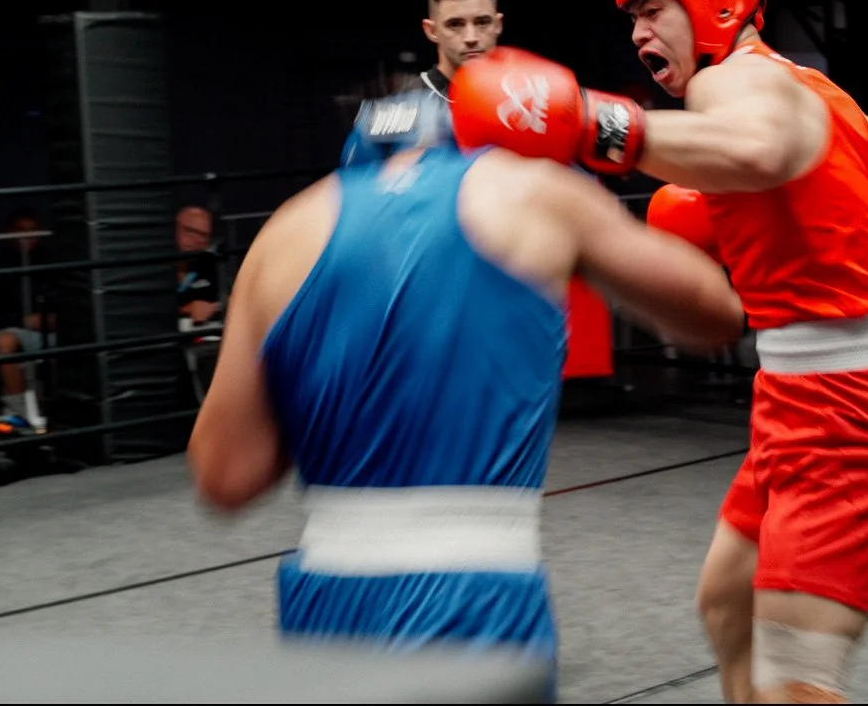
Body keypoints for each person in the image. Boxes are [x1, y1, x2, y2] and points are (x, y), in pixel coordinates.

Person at [448, 0, 868, 704]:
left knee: (796, 678)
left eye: (652, 8)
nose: (639, 31)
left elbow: (759, 149)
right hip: (803, 396)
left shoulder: (733, 86)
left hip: (852, 410)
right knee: (726, 599)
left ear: (718, 4)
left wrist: (586, 123)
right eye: (631, 17)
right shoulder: (834, 99)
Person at [188, 90, 742, 690]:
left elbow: (226, 476)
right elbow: (714, 315)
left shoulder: (285, 230)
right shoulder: (527, 190)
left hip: (325, 600)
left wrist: (336, 382)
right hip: (474, 596)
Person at [0, 211, 57, 422]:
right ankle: (21, 412)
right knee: (3, 342)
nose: (27, 236)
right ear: (9, 233)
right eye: (21, 231)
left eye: (32, 231)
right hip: (19, 331)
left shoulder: (53, 260)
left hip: (59, 332)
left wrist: (54, 319)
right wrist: (24, 321)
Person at [417, 0, 503, 100]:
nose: (471, 38)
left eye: (482, 22)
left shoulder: (522, 101)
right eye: (455, 24)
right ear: (432, 31)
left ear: (498, 25)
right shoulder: (407, 106)